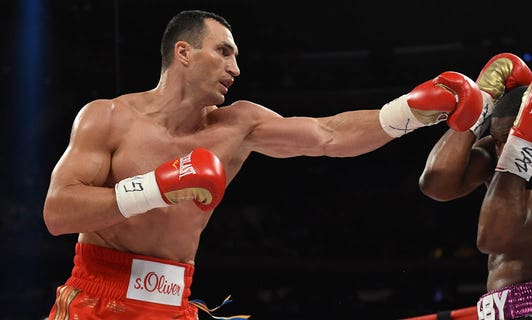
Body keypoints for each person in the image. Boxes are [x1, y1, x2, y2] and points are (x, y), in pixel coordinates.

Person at [43, 9, 485, 320]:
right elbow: (58, 213)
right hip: (98, 297)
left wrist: (410, 111)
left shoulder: (238, 125)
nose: (236, 67)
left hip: (174, 302)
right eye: (224, 52)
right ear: (183, 52)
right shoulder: (108, 117)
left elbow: (328, 136)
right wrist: (155, 187)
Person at [418, 53, 532, 319]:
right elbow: (436, 184)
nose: (502, 149)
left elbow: (493, 238)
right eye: (497, 140)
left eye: (511, 139)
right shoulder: (499, 151)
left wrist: (522, 145)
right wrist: (479, 108)